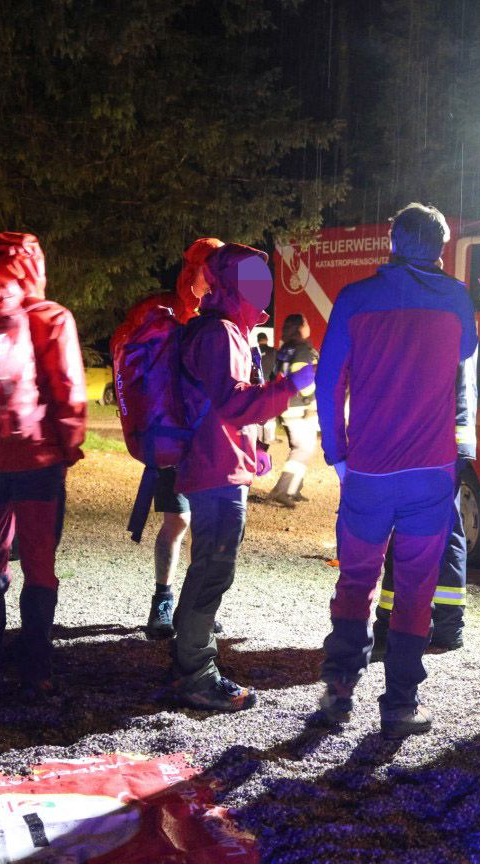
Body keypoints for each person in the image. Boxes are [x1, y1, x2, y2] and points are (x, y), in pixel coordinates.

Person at [315, 203, 477, 738]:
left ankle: (340, 687)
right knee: (416, 588)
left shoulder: (354, 297)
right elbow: (467, 350)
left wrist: (338, 453)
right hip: (431, 472)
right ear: (440, 247)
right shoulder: (456, 298)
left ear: (392, 241)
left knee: (356, 578)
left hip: (368, 470)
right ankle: (401, 702)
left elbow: (329, 379)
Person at [172, 242, 310, 712]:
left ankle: (189, 659)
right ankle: (197, 674)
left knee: (209, 565)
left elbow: (225, 402)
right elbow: (234, 404)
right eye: (253, 279)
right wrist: (293, 384)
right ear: (233, 283)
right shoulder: (222, 333)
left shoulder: (223, 328)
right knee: (214, 567)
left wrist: (254, 451)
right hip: (215, 467)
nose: (263, 287)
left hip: (219, 461)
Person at [0, 233, 86, 699]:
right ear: (36, 266)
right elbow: (69, 390)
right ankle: (36, 669)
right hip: (37, 458)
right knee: (38, 561)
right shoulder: (52, 316)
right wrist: (68, 448)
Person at [372, 319, 477, 655]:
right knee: (445, 532)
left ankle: (395, 624)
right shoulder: (451, 322)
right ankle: (444, 625)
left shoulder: (428, 324)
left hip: (428, 446)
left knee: (409, 528)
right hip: (445, 446)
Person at [144, 238, 223, 640]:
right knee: (177, 522)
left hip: (213, 442)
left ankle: (195, 605)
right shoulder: (171, 318)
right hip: (176, 439)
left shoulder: (227, 318)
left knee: (208, 528)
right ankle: (163, 599)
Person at [267, 313, 320, 507]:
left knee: (302, 448)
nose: (308, 326)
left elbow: (275, 375)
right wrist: (310, 402)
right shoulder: (302, 349)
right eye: (306, 322)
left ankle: (293, 488)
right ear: (300, 327)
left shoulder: (285, 349)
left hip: (286, 404)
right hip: (300, 407)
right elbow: (304, 379)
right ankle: (282, 490)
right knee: (303, 449)